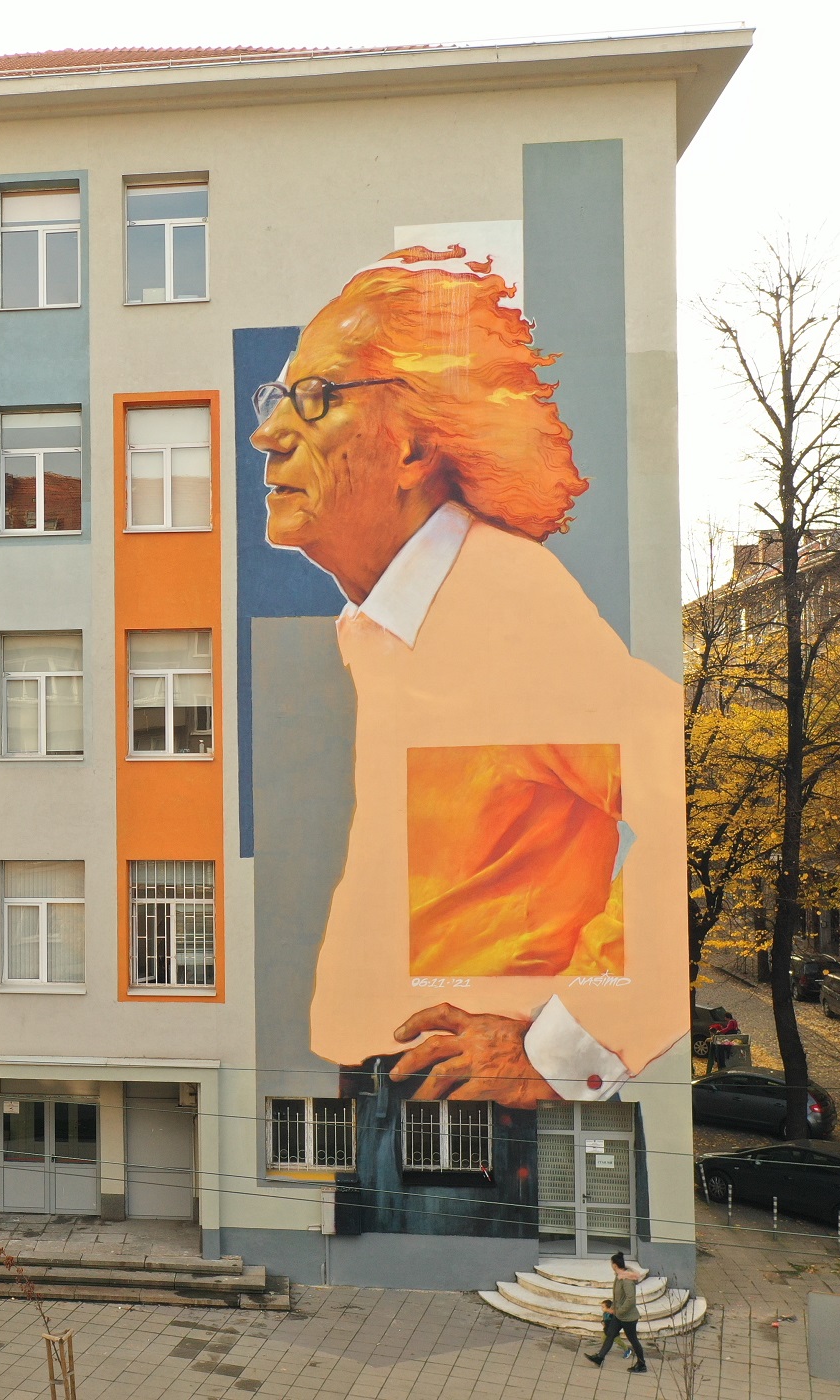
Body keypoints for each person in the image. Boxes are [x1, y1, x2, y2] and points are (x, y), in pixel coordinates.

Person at [251, 245, 687, 1107]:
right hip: (401, 1091)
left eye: (317, 398)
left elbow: (687, 818)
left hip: (467, 1106)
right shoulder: (387, 622)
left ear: (414, 447)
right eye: (279, 397)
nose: (269, 434)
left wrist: (560, 1052)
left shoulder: (506, 608)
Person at [584, 1251, 648, 1372]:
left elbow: (630, 1299)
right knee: (610, 1335)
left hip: (628, 1318)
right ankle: (599, 1357)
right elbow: (617, 1297)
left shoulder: (626, 1280)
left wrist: (620, 1311)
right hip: (619, 1315)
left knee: (633, 1340)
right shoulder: (618, 1277)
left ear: (614, 1265)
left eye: (611, 1263)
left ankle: (642, 1364)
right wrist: (613, 1308)